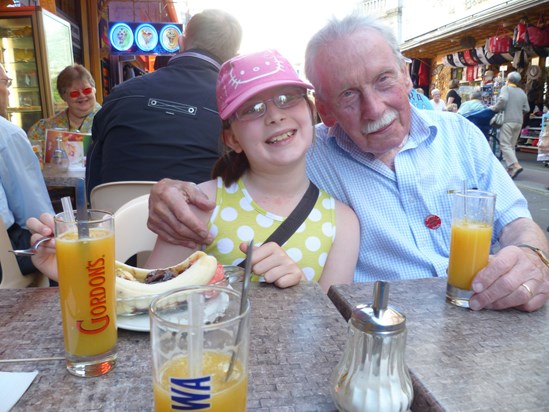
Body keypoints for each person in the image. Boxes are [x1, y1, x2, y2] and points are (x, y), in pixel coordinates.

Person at [145, 14, 549, 313]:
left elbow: (517, 223)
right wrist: (169, 194)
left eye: (384, 80)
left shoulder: (460, 135)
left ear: (408, 76)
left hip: (486, 314)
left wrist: (533, 256)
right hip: (384, 336)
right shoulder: (304, 152)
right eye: (349, 95)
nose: (375, 108)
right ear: (325, 109)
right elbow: (246, 174)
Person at [27, 50, 359, 293]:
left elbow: (332, 331)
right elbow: (148, 297)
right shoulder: (200, 204)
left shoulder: (342, 222)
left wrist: (299, 290)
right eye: (253, 109)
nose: (274, 116)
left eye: (288, 98)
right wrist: (75, 273)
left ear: (310, 110)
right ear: (232, 139)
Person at [85, 9, 242, 198]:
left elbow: (93, 170)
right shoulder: (234, 108)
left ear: (181, 42)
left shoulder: (121, 94)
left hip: (117, 221)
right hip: (199, 223)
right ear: (234, 57)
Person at [0, 63, 54, 279]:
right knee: (52, 240)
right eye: (5, 82)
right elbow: (35, 213)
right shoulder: (7, 134)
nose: (9, 90)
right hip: (5, 261)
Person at [26, 64, 100, 142]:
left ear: (94, 90)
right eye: (74, 93)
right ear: (63, 96)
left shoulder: (107, 121)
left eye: (87, 90)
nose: (82, 95)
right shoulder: (45, 128)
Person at [490, 71, 530, 179]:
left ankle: (515, 165)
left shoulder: (505, 88)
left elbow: (503, 99)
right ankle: (510, 169)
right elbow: (527, 109)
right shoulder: (522, 92)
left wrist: (494, 108)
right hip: (519, 121)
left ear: (508, 79)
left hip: (508, 120)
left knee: (504, 144)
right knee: (511, 146)